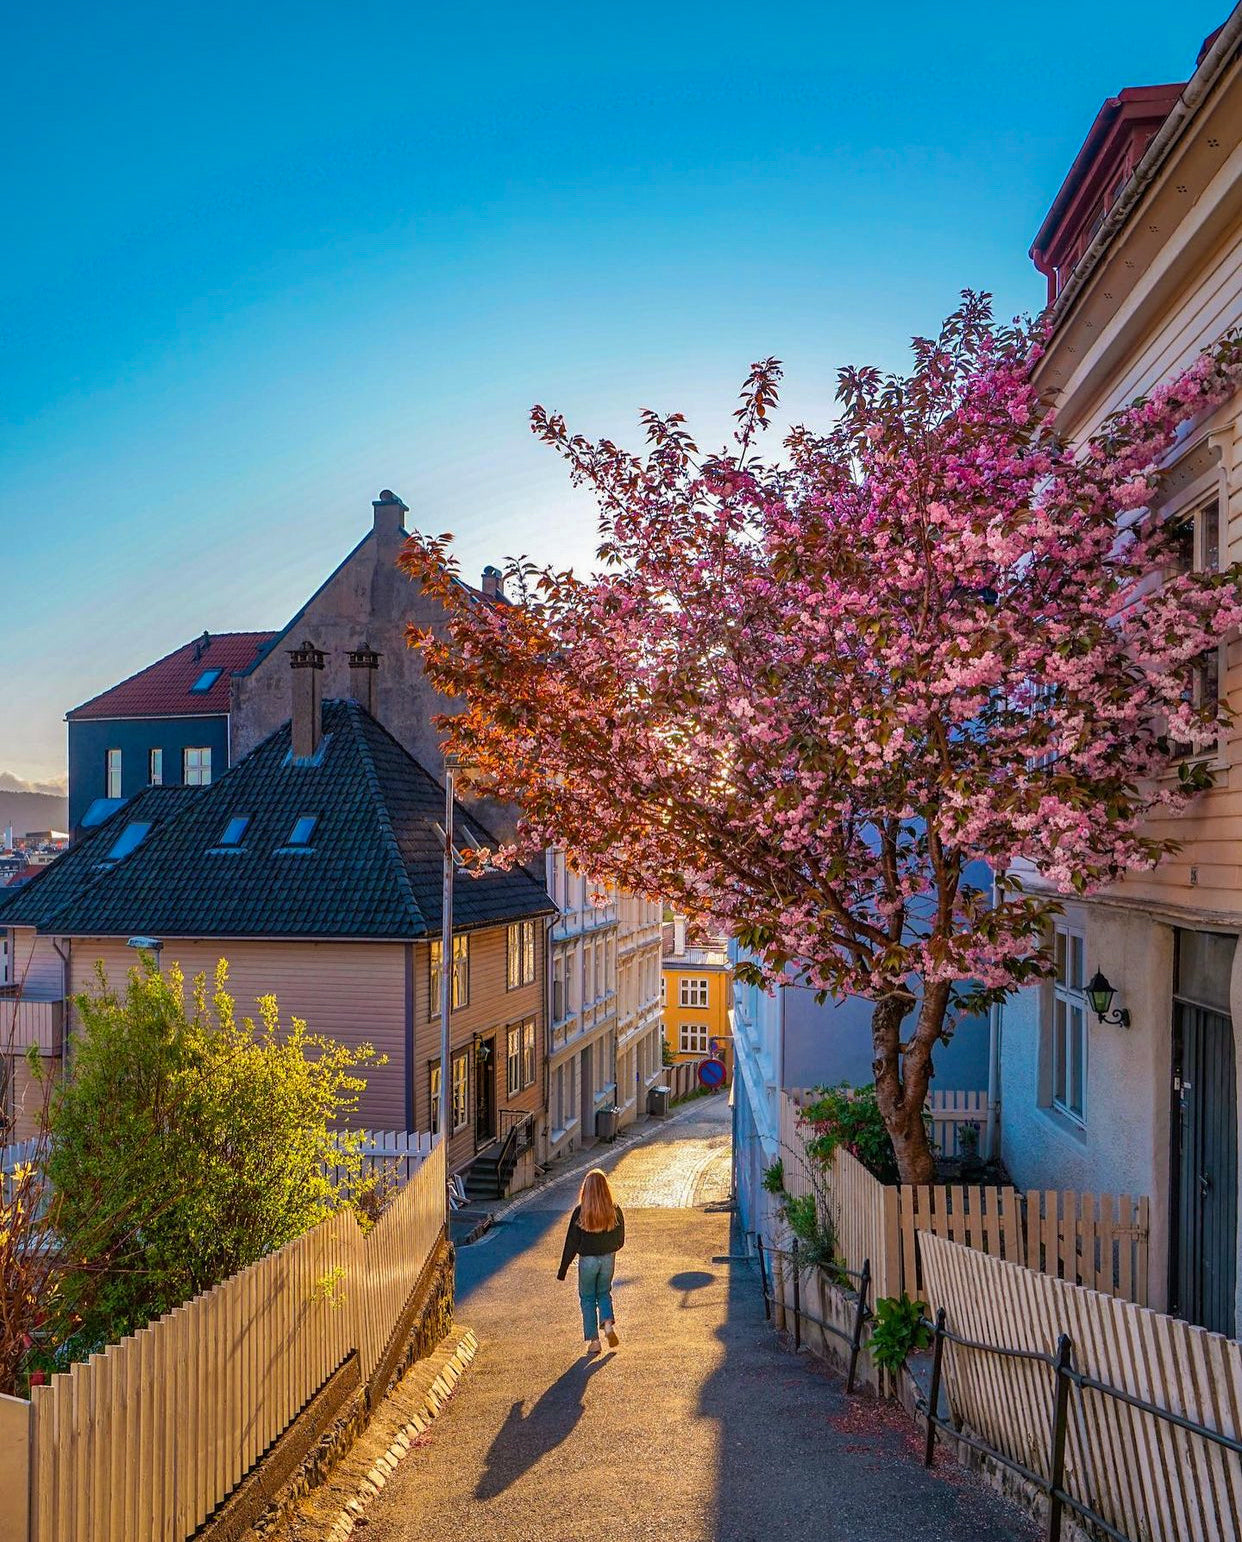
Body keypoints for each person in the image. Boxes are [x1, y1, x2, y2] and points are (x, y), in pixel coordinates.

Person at [557, 1168, 625, 1354]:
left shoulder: (580, 1211)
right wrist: (608, 1249)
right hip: (608, 1259)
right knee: (604, 1292)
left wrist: (563, 1269)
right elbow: (620, 1240)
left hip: (587, 1261)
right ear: (606, 1188)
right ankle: (608, 1325)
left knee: (587, 1299)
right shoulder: (615, 1210)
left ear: (585, 1189)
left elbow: (571, 1242)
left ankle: (594, 1341)